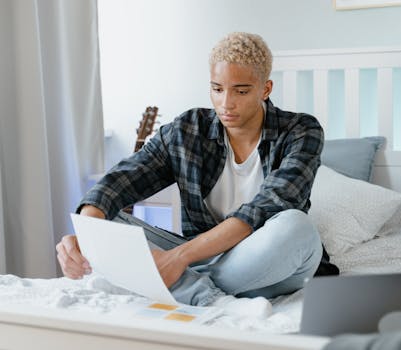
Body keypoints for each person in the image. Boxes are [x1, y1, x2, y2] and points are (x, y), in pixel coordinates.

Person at [56, 32, 338, 307]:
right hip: (200, 256)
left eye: (241, 91)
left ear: (265, 89)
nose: (226, 103)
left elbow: (267, 207)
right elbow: (121, 181)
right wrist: (87, 234)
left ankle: (178, 285)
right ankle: (211, 299)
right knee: (105, 223)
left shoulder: (302, 131)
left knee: (297, 226)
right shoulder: (187, 130)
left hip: (269, 262)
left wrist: (177, 259)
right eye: (217, 89)